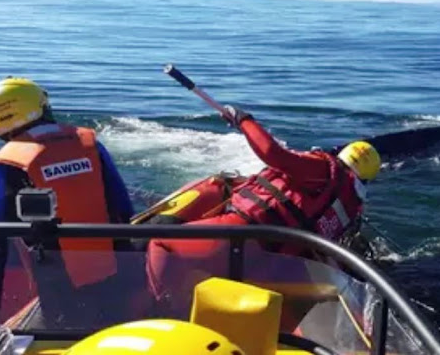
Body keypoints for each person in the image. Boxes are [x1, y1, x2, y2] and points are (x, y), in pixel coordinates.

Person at [145, 105, 381, 319]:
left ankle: (165, 311)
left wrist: (244, 120)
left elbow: (272, 154)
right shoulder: (350, 206)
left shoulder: (324, 168)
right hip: (273, 259)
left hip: (242, 233)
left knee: (161, 243)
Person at [0, 77, 142, 327]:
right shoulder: (90, 144)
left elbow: (2, 241)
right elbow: (123, 206)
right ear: (41, 107)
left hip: (59, 283)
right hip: (116, 265)